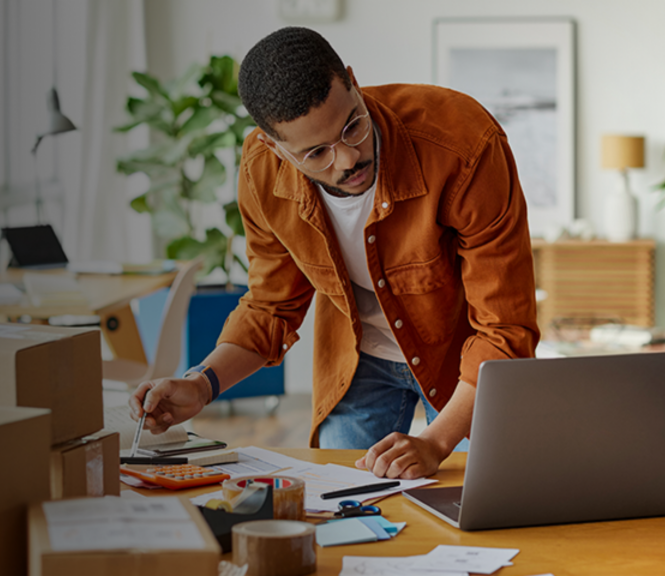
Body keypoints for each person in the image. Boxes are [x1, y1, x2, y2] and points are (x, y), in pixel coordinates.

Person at [129, 27, 539, 480]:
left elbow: (505, 330)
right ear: (274, 147)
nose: (346, 159)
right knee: (349, 509)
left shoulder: (463, 143)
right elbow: (271, 306)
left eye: (353, 127)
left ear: (352, 81)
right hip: (355, 361)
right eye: (317, 152)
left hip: (465, 363)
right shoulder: (262, 171)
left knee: (492, 502)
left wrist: (434, 442)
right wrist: (201, 384)